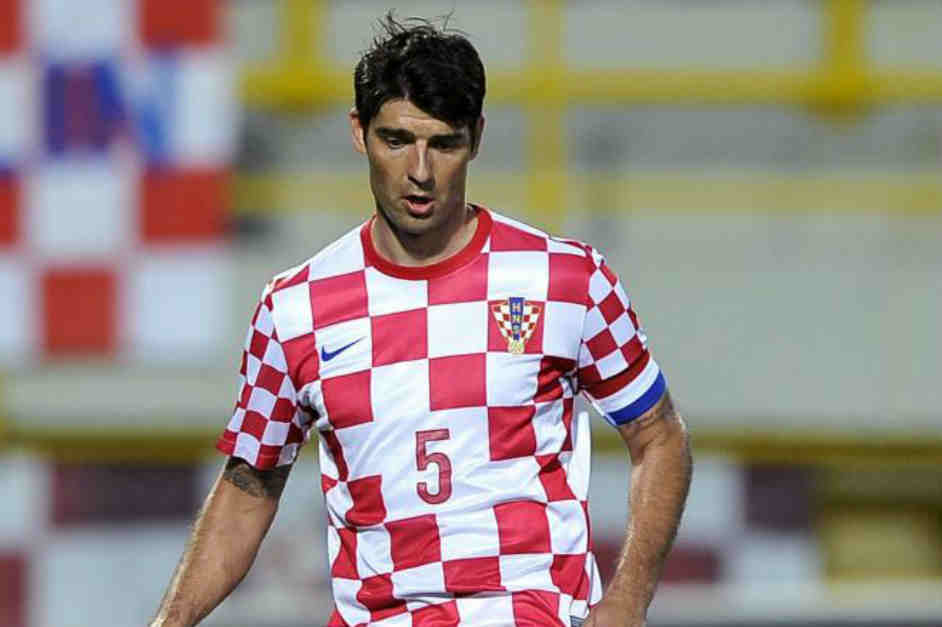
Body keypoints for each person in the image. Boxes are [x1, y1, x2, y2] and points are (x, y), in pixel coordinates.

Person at [151, 15, 691, 627]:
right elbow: (249, 487)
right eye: (397, 140)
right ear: (359, 133)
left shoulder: (563, 279)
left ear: (477, 137)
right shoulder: (295, 309)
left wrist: (627, 601)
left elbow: (660, 436)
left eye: (444, 144)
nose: (421, 171)